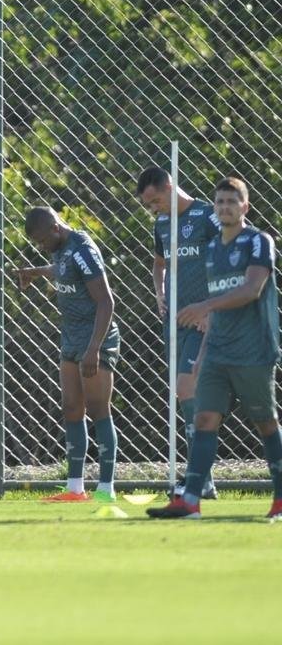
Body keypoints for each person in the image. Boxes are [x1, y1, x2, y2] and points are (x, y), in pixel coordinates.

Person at [149, 177, 282, 520]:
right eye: (220, 202)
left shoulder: (258, 242)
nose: (224, 208)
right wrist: (205, 349)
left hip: (252, 349)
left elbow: (252, 289)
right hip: (218, 349)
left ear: (245, 208)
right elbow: (216, 307)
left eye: (231, 202)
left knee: (265, 422)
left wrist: (205, 307)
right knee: (205, 417)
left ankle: (280, 497)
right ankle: (191, 500)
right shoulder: (211, 251)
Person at [16, 207, 121, 503]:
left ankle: (105, 489)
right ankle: (75, 489)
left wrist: (93, 350)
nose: (41, 247)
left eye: (41, 241)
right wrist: (36, 272)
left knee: (100, 409)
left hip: (94, 338)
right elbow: (61, 270)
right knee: (72, 408)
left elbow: (106, 302)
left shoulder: (82, 250)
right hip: (71, 337)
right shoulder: (60, 249)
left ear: (55, 229)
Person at [135, 166, 220, 498]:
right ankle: (204, 478)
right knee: (185, 394)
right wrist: (160, 292)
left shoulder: (206, 216)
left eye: (156, 201)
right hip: (177, 321)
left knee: (187, 388)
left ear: (170, 187)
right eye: (148, 205)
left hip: (206, 320)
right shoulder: (161, 224)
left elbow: (233, 255)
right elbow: (159, 263)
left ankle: (200, 476)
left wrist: (213, 307)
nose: (153, 209)